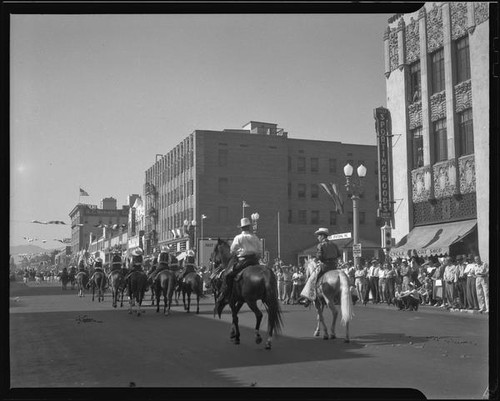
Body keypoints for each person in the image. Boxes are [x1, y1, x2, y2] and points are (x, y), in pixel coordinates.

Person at [214, 217, 262, 315]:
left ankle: (226, 294)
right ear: (249, 227)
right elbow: (260, 250)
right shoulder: (255, 237)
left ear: (241, 228)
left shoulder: (238, 237)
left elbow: (232, 250)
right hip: (255, 261)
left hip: (243, 260)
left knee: (227, 275)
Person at [299, 227, 341, 307]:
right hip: (334, 267)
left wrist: (316, 259)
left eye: (318, 236)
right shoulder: (334, 244)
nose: (318, 237)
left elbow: (320, 256)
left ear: (322, 236)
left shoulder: (320, 245)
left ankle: (307, 298)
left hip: (325, 266)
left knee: (311, 279)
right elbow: (339, 255)